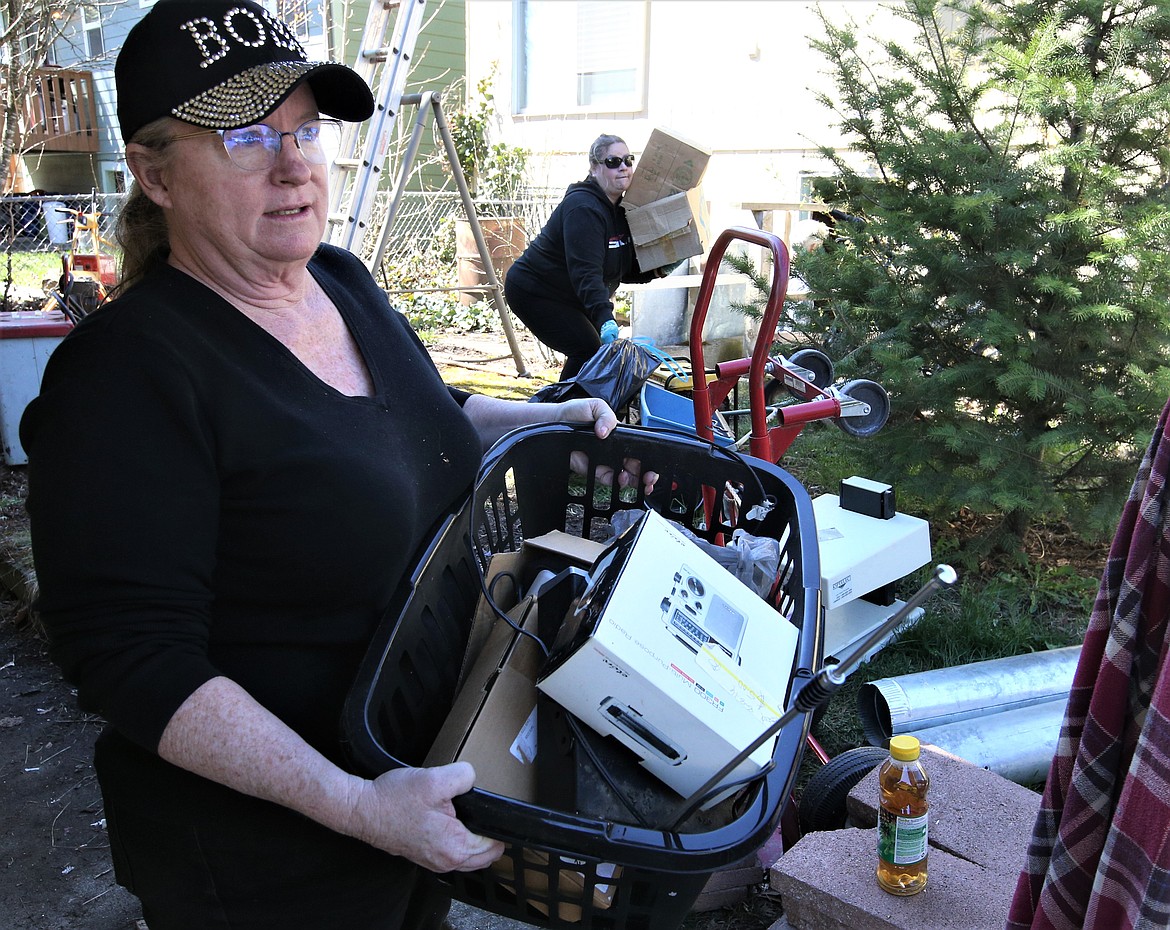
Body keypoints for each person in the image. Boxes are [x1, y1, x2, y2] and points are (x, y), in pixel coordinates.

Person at [18, 3, 653, 928]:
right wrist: (356, 806)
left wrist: (547, 417)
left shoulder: (341, 281)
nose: (293, 164)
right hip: (266, 865)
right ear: (155, 174)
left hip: (414, 801)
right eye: (243, 136)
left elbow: (421, 418)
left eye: (304, 129)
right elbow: (130, 657)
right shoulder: (127, 376)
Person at [504, 134, 662, 381]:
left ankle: (576, 411)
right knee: (587, 348)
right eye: (613, 161)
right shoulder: (583, 208)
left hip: (569, 294)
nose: (623, 167)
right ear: (594, 167)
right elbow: (586, 273)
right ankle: (556, 413)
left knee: (590, 350)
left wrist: (657, 269)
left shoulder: (620, 210)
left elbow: (617, 268)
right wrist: (605, 319)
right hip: (534, 291)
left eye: (628, 160)